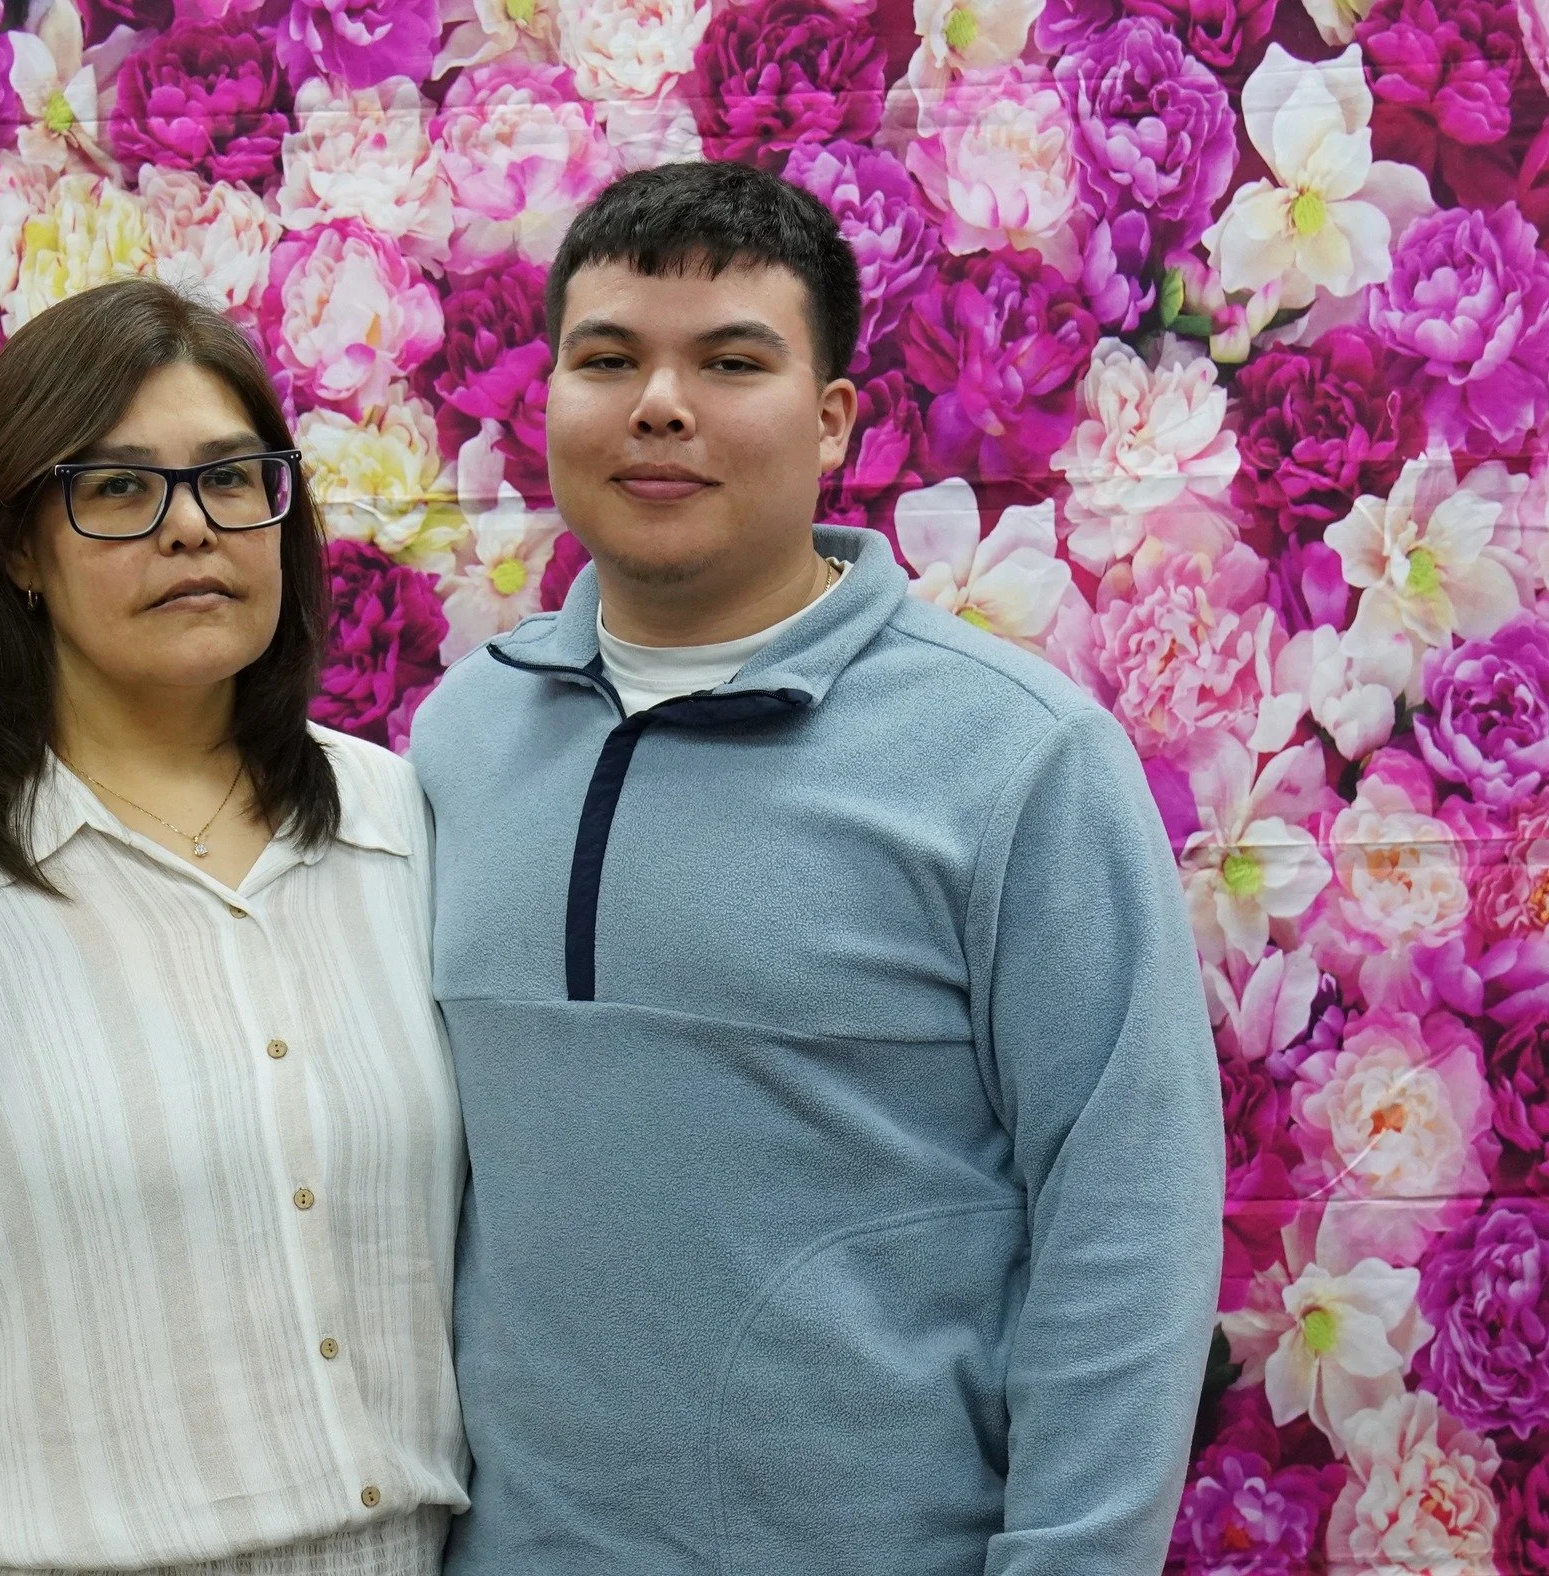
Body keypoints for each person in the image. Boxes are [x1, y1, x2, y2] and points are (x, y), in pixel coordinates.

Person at [410, 161, 1224, 1575]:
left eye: (732, 360)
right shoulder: (460, 733)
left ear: (835, 420)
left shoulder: (1017, 757)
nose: (661, 403)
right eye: (608, 359)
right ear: (548, 402)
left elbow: (1127, 1220)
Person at [0, 278, 469, 1576]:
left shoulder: (400, 825)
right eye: (120, 490)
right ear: (17, 547)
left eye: (232, 479)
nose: (193, 529)